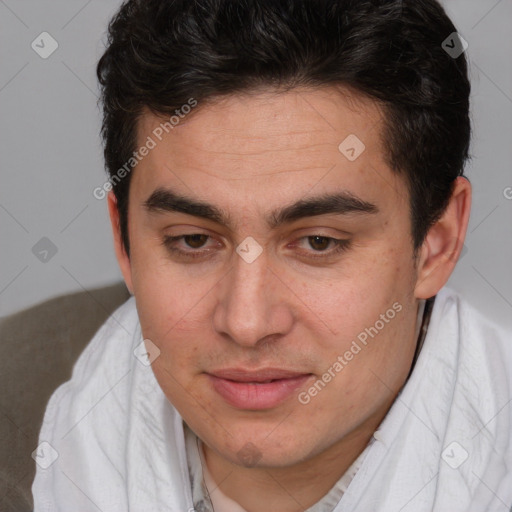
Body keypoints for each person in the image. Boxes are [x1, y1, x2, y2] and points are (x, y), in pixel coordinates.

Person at [32, 0, 512, 510]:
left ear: (436, 244)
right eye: (193, 240)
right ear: (124, 239)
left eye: (318, 242)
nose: (246, 322)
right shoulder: (12, 408)